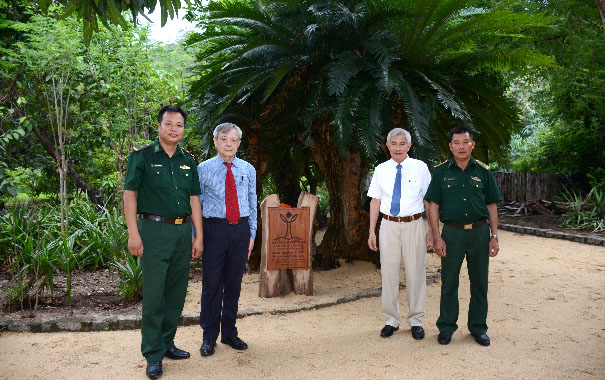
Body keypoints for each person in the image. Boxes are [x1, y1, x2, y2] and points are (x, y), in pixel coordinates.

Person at [123, 105, 203, 379]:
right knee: (155, 295)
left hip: (182, 232)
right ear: (159, 126)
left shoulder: (188, 161)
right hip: (153, 231)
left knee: (177, 293)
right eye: (169, 124)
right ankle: (153, 354)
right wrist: (134, 233)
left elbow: (194, 200)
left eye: (179, 125)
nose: (174, 129)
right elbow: (130, 195)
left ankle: (167, 342)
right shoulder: (142, 157)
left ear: (183, 129)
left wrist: (198, 235)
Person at [424, 126, 502, 347]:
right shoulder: (440, 172)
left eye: (465, 142)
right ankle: (447, 326)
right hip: (452, 234)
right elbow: (433, 205)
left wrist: (494, 236)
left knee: (479, 282)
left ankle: (478, 327)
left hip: (479, 233)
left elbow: (492, 205)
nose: (461, 146)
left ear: (472, 145)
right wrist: (437, 236)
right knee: (449, 281)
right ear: (450, 146)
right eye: (456, 142)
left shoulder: (483, 171)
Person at [367, 128, 433, 340]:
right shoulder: (380, 170)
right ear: (387, 146)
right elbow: (375, 201)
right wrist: (372, 231)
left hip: (414, 225)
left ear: (409, 146)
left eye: (402, 143)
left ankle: (416, 320)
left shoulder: (420, 168)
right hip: (388, 225)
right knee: (389, 273)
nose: (397, 147)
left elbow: (429, 201)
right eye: (393, 143)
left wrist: (432, 230)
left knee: (416, 272)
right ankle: (391, 319)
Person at [197, 122, 257, 357]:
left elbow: (252, 202)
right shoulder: (203, 169)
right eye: (224, 139)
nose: (228, 143)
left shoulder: (247, 169)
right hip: (214, 230)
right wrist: (197, 236)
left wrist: (252, 234)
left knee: (234, 284)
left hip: (240, 230)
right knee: (212, 284)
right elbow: (197, 204)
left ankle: (229, 333)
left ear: (239, 143)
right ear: (215, 141)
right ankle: (208, 337)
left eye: (233, 140)